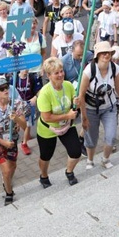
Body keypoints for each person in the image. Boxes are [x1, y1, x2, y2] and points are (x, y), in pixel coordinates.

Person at [79, 41, 119, 169]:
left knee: (111, 136)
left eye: (107, 53)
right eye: (102, 53)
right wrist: (84, 117)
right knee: (91, 138)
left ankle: (105, 159)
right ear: (97, 55)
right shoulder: (89, 71)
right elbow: (81, 96)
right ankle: (90, 160)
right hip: (91, 108)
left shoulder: (115, 68)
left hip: (109, 107)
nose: (105, 55)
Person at [36, 57, 83, 188]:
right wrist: (67, 115)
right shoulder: (45, 93)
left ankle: (69, 172)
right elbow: (47, 117)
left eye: (61, 71)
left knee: (76, 152)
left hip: (66, 125)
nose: (61, 74)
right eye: (56, 73)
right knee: (46, 156)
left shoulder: (67, 85)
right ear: (49, 75)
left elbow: (73, 99)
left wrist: (76, 102)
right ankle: (43, 175)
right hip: (48, 128)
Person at [0, 76, 28, 205]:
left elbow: (25, 127)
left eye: (6, 87)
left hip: (12, 140)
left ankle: (6, 180)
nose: (5, 90)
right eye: (1, 89)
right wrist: (3, 143)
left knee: (12, 166)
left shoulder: (17, 104)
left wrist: (16, 119)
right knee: (6, 170)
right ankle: (9, 192)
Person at [11, 69, 40, 156]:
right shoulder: (14, 79)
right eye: (24, 68)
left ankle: (24, 143)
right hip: (18, 105)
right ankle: (24, 137)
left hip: (29, 104)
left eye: (27, 68)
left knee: (28, 124)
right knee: (19, 124)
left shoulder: (32, 78)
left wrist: (35, 97)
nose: (26, 70)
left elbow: (39, 90)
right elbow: (10, 91)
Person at [20, 17, 46, 92]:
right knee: (24, 96)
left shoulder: (41, 37)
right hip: (23, 72)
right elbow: (13, 54)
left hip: (36, 71)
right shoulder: (19, 38)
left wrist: (43, 68)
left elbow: (43, 53)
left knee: (38, 95)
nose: (32, 25)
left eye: (34, 23)